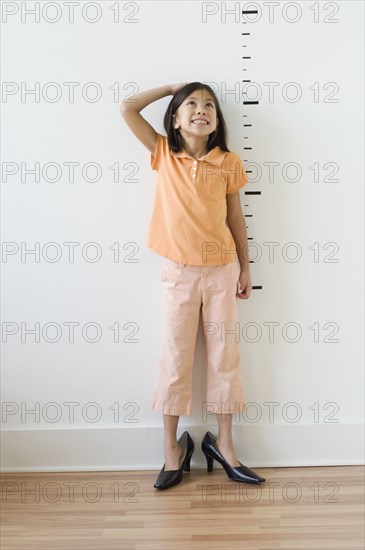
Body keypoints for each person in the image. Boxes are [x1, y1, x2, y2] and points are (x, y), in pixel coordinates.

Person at [120, 82, 265, 490]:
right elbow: (128, 108)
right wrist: (170, 88)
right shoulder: (165, 153)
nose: (201, 110)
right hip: (179, 272)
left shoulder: (229, 162)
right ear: (177, 119)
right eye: (191, 105)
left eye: (209, 106)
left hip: (221, 271)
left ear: (217, 121)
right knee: (174, 358)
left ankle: (225, 446)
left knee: (224, 358)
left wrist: (245, 267)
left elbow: (236, 217)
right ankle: (172, 449)